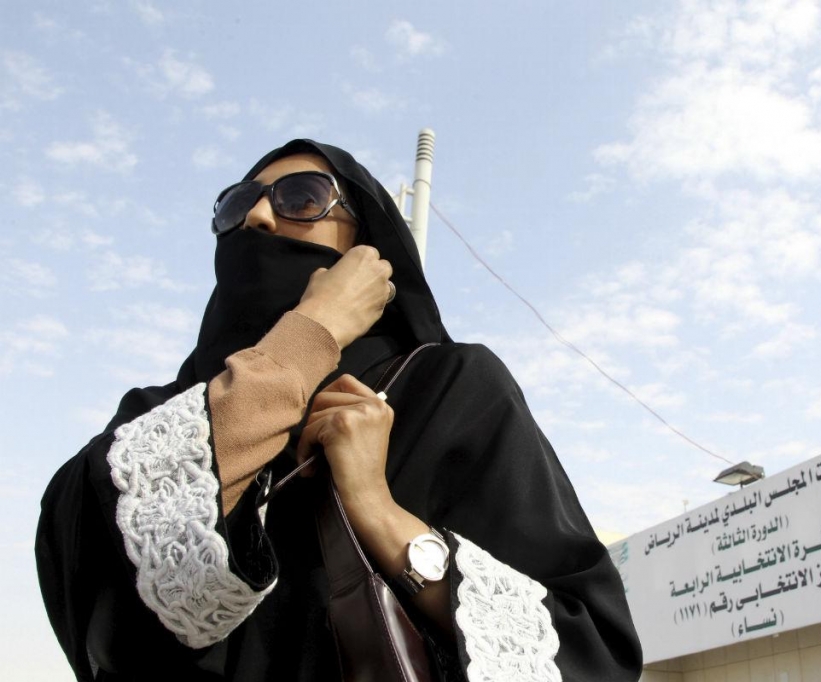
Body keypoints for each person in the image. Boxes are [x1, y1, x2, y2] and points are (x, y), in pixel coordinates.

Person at [36, 139, 643, 681]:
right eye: (234, 205)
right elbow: (93, 581)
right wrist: (311, 335)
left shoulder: (447, 389)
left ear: (366, 246)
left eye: (300, 197)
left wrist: (380, 514)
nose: (257, 216)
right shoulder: (159, 416)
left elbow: (588, 646)